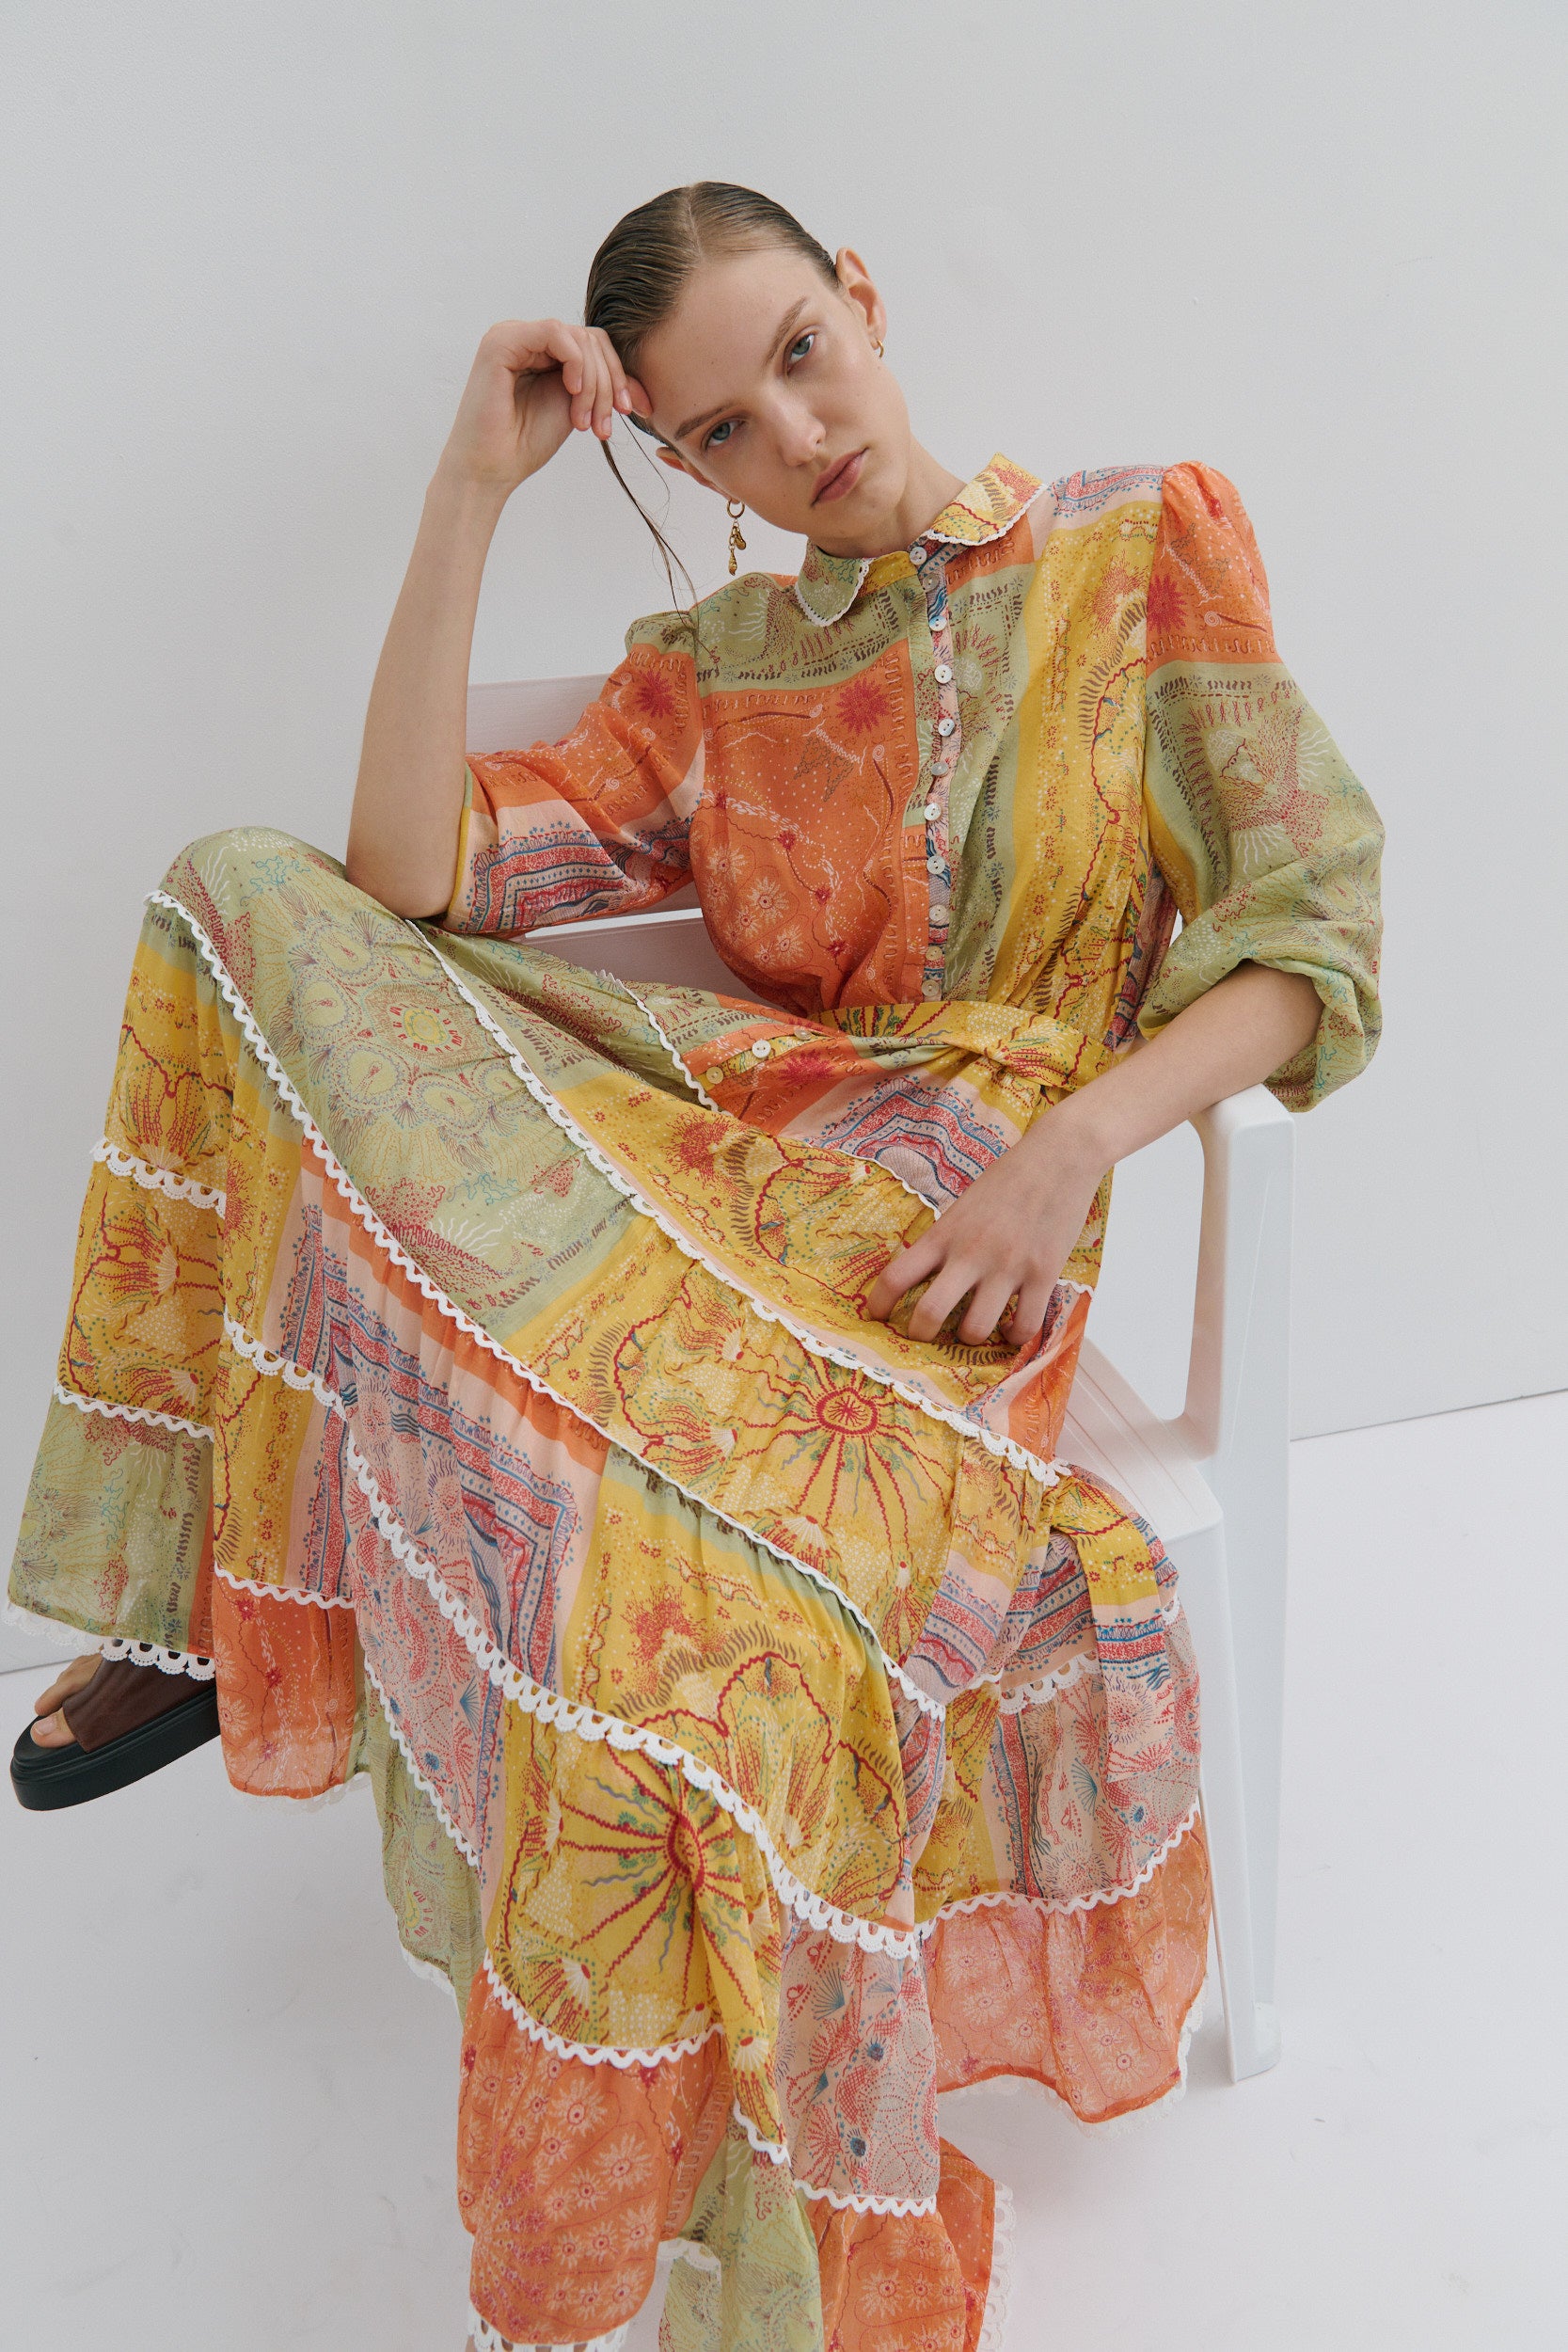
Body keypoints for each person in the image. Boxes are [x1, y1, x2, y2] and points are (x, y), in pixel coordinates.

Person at [8, 182, 1384, 2351]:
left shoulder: (1138, 547)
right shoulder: (710, 681)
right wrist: (470, 487)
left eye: (806, 353)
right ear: (682, 466)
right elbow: (402, 880)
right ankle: (231, 1580)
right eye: (728, 428)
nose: (800, 431)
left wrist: (1074, 1140)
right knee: (239, 889)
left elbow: (1307, 935)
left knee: (698, 1659)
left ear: (867, 298)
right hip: (715, 1148)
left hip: (944, 1230)